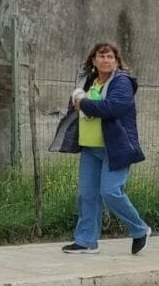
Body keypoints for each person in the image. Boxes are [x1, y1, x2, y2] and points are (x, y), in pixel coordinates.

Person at [63, 41, 150, 256]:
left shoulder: (122, 82)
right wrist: (80, 100)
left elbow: (113, 107)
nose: (105, 60)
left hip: (115, 147)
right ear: (93, 60)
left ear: (117, 62)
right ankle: (86, 241)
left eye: (110, 56)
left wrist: (83, 103)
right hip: (90, 147)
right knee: (87, 196)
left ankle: (140, 229)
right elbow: (76, 105)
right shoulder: (89, 81)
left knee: (110, 191)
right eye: (101, 56)